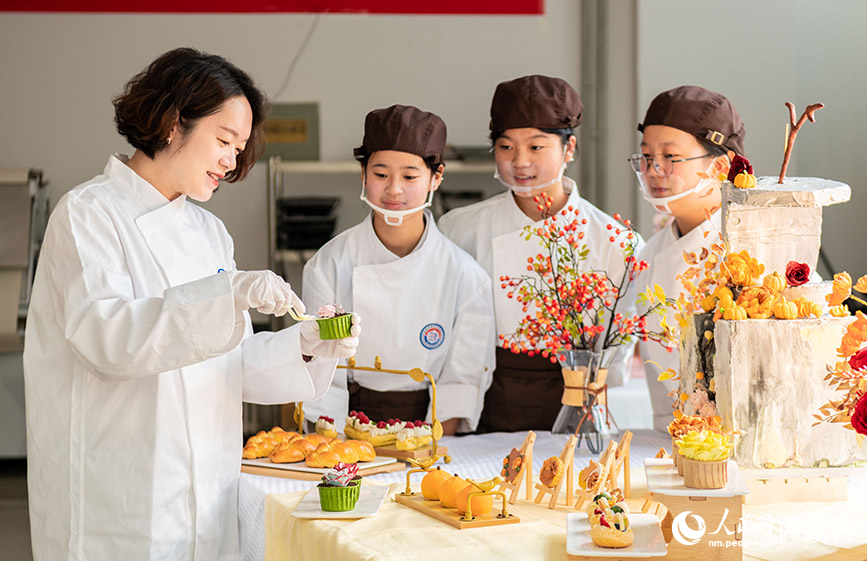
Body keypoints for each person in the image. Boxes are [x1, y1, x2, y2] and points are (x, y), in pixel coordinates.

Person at [22, 48, 359, 560]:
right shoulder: (88, 214)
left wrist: (307, 346)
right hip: (120, 495)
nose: (232, 160)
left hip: (207, 489)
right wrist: (225, 295)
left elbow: (231, 363)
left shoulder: (209, 232)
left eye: (240, 147)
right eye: (224, 141)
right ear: (173, 123)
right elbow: (110, 340)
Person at [438, 75, 640, 433]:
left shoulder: (615, 241)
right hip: (484, 401)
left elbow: (619, 346)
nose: (520, 162)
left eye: (536, 147)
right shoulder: (459, 229)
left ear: (570, 148)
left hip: (576, 407)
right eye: (506, 147)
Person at [302, 105, 495, 435]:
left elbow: (462, 378)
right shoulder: (328, 264)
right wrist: (334, 443)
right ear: (363, 175)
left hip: (431, 431)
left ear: (436, 178)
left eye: (409, 176)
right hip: (346, 427)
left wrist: (428, 442)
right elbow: (321, 370)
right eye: (380, 175)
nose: (393, 190)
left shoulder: (466, 276)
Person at [630, 85, 744, 431]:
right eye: (647, 156)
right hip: (674, 438)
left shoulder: (751, 247)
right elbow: (656, 372)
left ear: (720, 165)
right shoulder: (651, 253)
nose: (654, 169)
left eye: (671, 158)